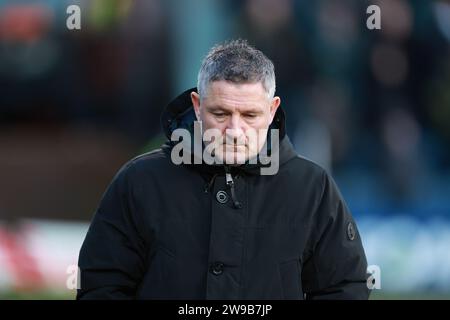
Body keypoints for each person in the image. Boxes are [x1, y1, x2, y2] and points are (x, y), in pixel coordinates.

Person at [77, 39, 370, 299]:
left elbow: (345, 287)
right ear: (197, 106)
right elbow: (100, 284)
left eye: (250, 115)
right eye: (220, 113)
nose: (234, 130)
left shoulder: (312, 188)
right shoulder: (139, 182)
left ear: (272, 110)